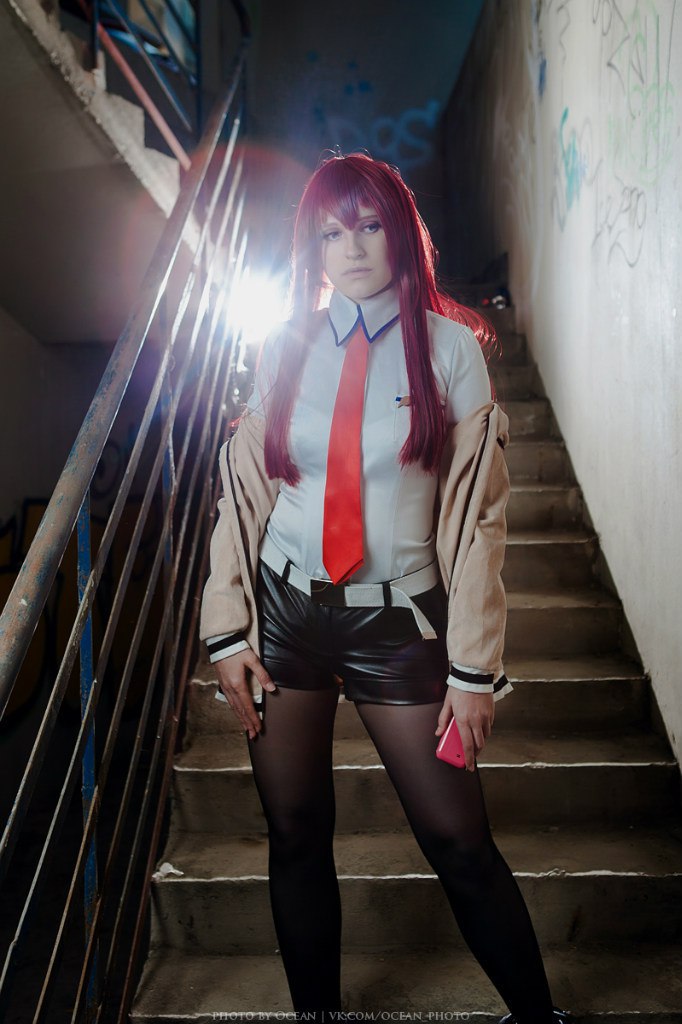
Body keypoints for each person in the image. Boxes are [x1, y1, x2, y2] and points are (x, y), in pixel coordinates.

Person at [199, 153, 569, 1024]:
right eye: (332, 233)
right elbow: (244, 495)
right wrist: (228, 630)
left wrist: (473, 672)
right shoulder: (284, 344)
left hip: (399, 626)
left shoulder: (451, 350)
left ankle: (539, 1018)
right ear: (314, 248)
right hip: (285, 615)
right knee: (294, 832)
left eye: (369, 225)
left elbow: (479, 523)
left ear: (400, 231)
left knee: (458, 840)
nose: (353, 247)